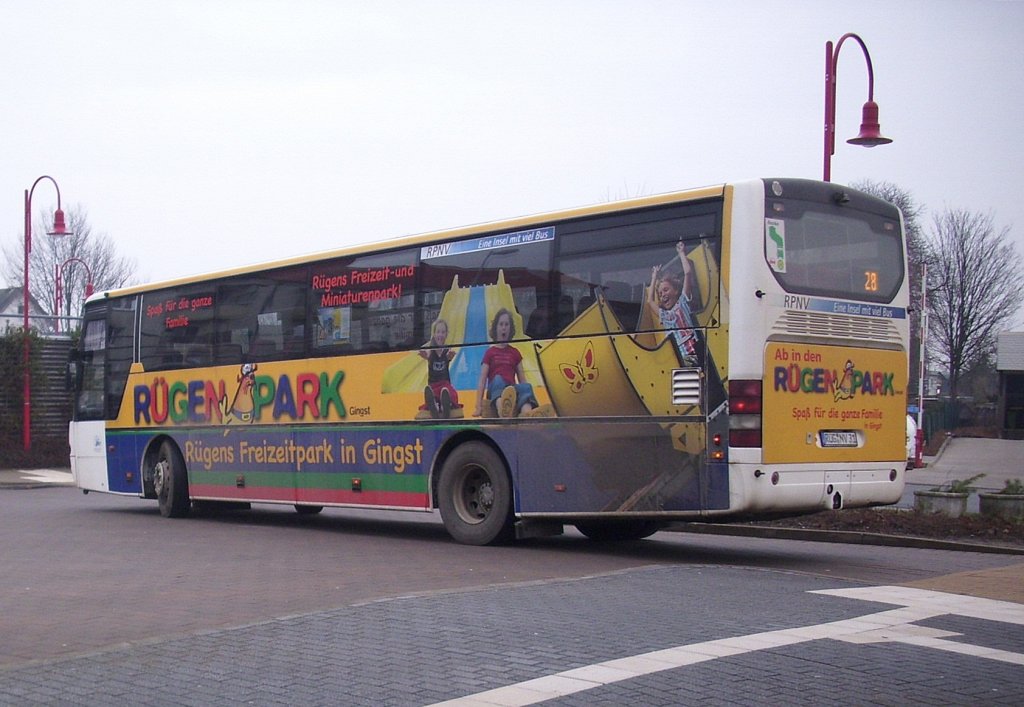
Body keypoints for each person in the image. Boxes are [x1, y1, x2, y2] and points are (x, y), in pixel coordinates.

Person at [474, 308, 540, 418]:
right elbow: (482, 381)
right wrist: (478, 406)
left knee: (526, 387)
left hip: (511, 391)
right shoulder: (490, 352)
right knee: (498, 379)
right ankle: (503, 411)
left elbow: (522, 380)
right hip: (496, 392)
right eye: (501, 324)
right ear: (496, 328)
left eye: (506, 324)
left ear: (510, 328)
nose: (504, 327)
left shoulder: (515, 353)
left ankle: (526, 414)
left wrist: (523, 390)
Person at [650, 240, 699, 365]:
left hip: (691, 353)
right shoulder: (664, 315)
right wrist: (654, 276)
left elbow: (687, 273)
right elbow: (650, 301)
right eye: (660, 294)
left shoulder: (682, 303)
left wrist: (681, 253)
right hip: (675, 358)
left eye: (666, 290)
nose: (663, 295)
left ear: (676, 290)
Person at [418, 318, 461, 419]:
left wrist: (450, 357)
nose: (440, 335)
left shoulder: (447, 350)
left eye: (443, 332)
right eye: (438, 332)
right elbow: (427, 355)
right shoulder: (430, 350)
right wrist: (425, 356)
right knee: (433, 395)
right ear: (434, 334)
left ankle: (445, 405)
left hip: (445, 385)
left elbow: (449, 357)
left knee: (450, 393)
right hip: (434, 385)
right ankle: (435, 406)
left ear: (446, 334)